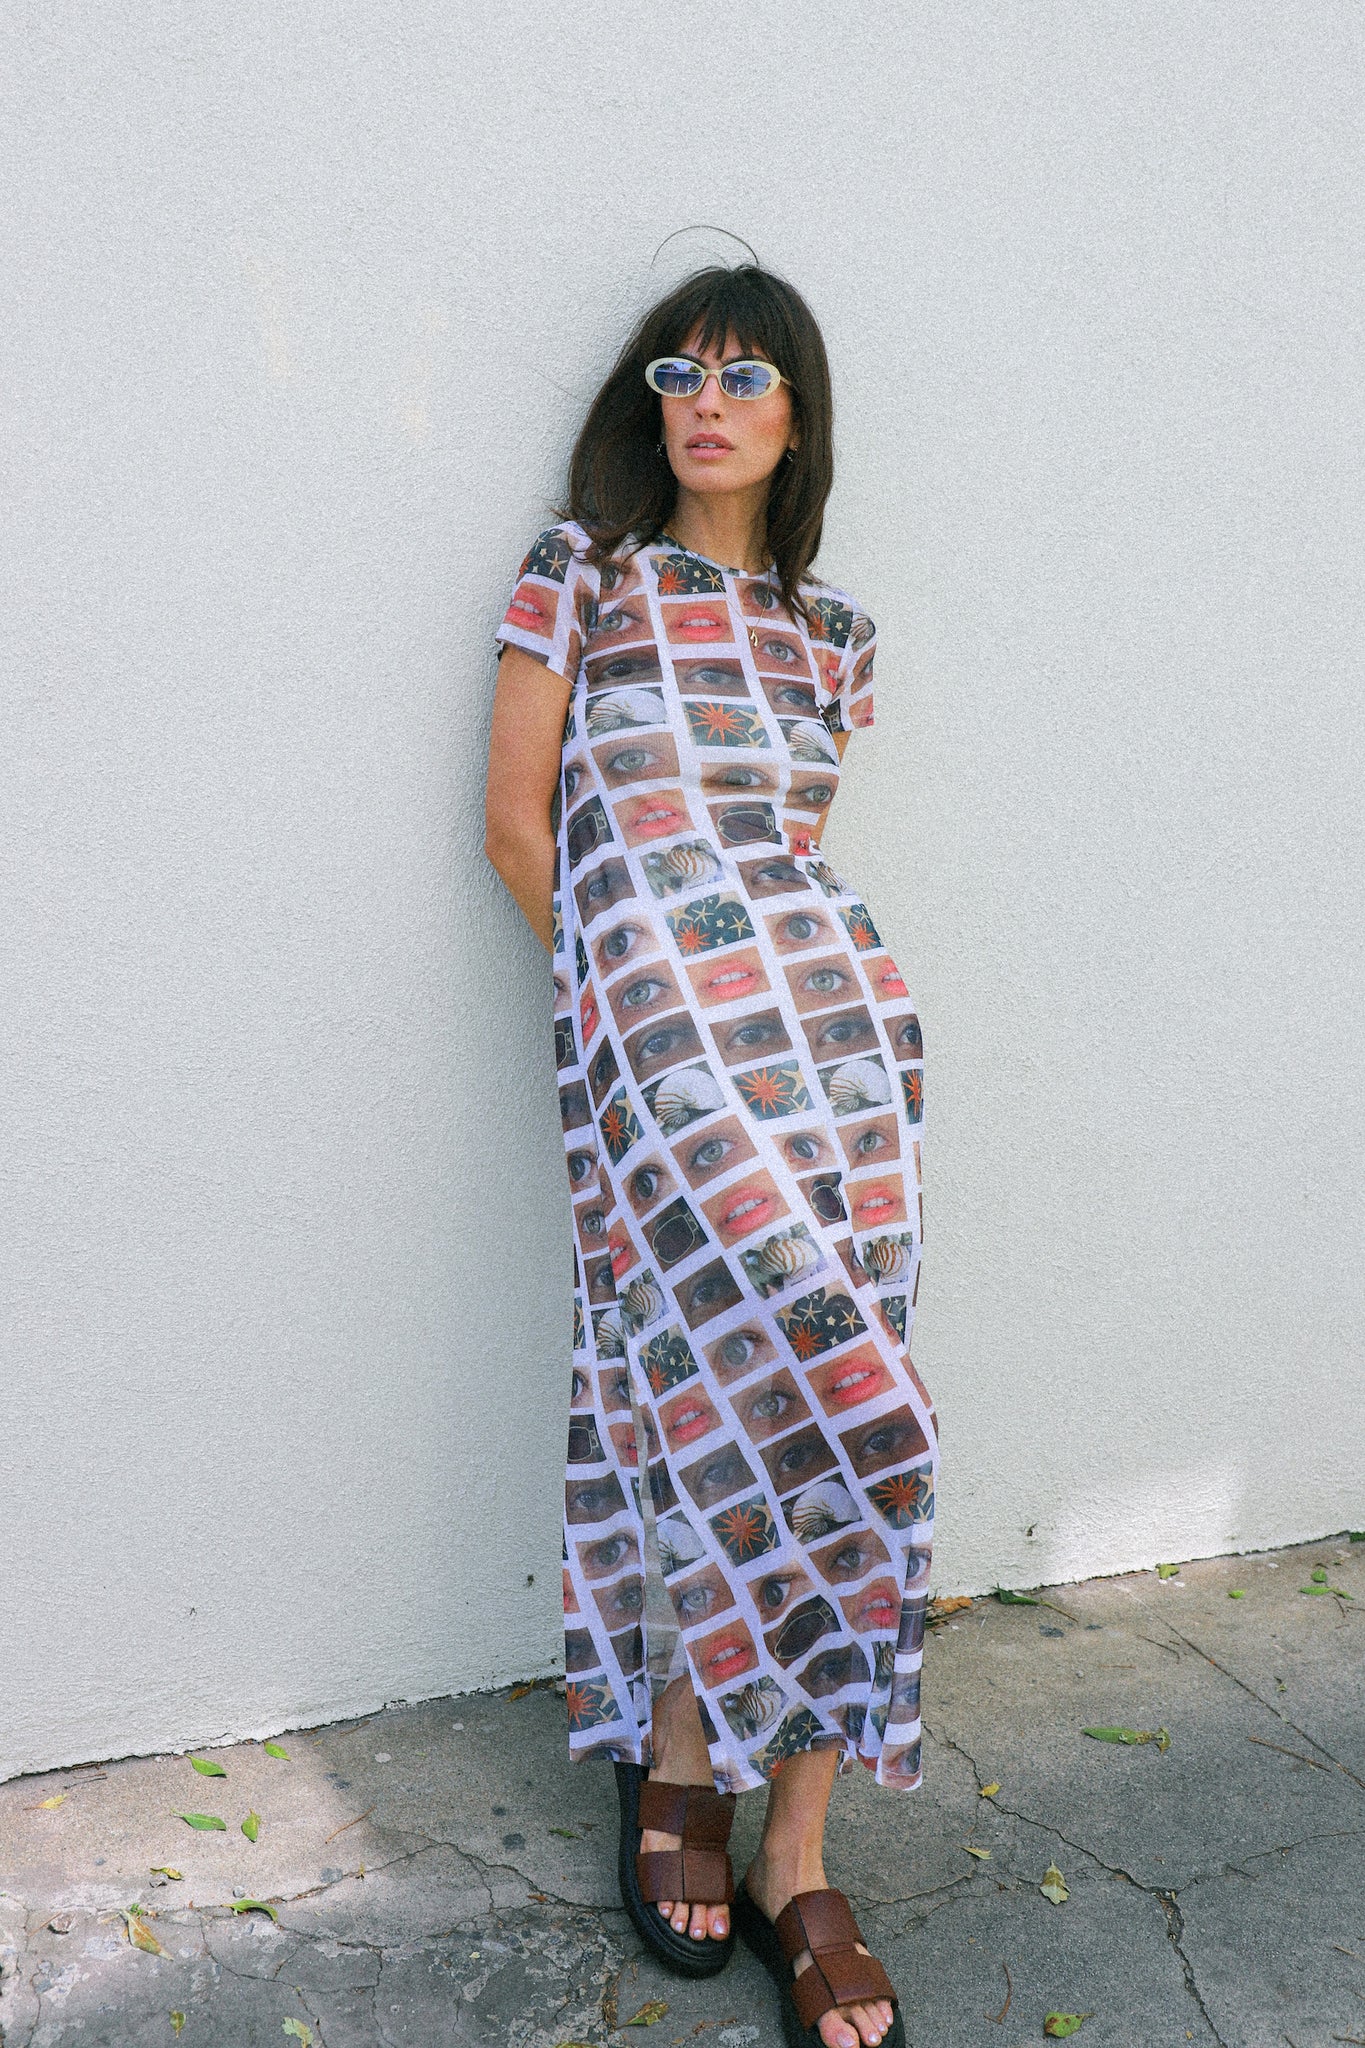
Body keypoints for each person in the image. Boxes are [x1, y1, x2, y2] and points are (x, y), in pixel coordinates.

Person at [484, 262, 936, 2048]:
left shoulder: (835, 638)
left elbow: (778, 857)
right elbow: (518, 830)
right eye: (679, 374)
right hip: (657, 1050)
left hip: (841, 1049)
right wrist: (630, 1021)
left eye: (745, 378)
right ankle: (677, 1738)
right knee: (706, 1388)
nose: (707, 402)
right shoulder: (581, 575)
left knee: (857, 1412)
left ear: (796, 418)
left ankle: (794, 1854)